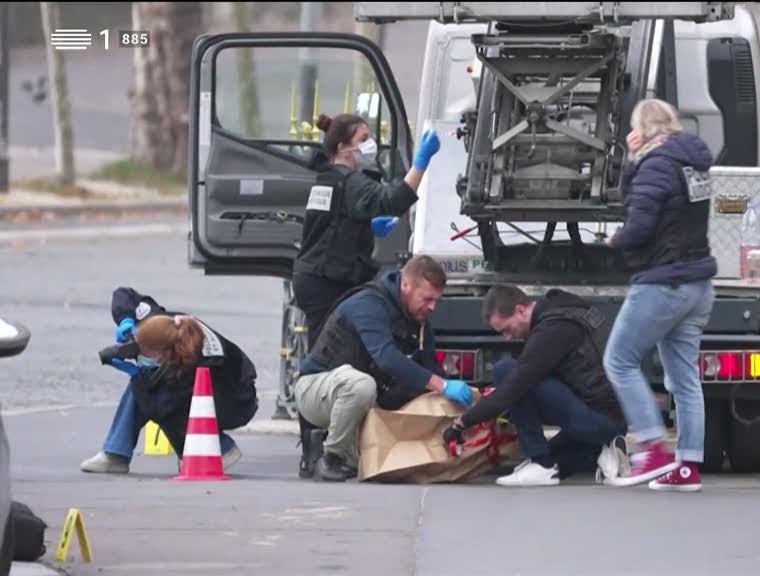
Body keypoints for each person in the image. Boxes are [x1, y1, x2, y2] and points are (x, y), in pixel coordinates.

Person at [602, 98, 717, 491]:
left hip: (663, 281)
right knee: (685, 379)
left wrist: (614, 239)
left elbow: (638, 224)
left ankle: (652, 447)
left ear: (642, 129)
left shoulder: (655, 165)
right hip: (698, 285)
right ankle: (688, 467)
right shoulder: (695, 161)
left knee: (619, 360)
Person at [295, 255, 473, 482]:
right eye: (427, 298)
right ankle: (331, 457)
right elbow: (387, 358)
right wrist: (443, 385)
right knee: (361, 385)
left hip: (361, 396)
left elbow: (430, 368)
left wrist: (461, 403)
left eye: (436, 300)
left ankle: (336, 448)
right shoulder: (368, 304)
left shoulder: (416, 319)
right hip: (316, 388)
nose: (432, 307)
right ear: (406, 284)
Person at [442, 285, 626, 487]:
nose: (508, 337)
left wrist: (462, 422)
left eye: (507, 329)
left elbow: (517, 384)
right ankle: (603, 448)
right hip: (606, 415)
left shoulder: (552, 329)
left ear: (520, 310)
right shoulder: (563, 313)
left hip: (597, 419)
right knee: (558, 463)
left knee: (506, 371)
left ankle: (541, 463)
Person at [293, 112, 442, 347]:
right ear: (343, 148)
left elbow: (329, 222)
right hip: (327, 281)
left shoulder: (327, 177)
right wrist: (420, 164)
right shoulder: (349, 182)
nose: (370, 144)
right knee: (327, 352)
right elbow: (392, 200)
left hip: (314, 278)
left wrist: (364, 227)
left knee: (328, 346)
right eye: (363, 139)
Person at [81, 288, 258, 474]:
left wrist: (137, 377)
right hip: (221, 385)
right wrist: (127, 319)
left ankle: (218, 450)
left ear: (165, 353)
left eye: (143, 352)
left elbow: (159, 408)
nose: (138, 355)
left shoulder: (191, 365)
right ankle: (116, 452)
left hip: (236, 401)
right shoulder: (166, 326)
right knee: (149, 380)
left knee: (156, 395)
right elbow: (124, 295)